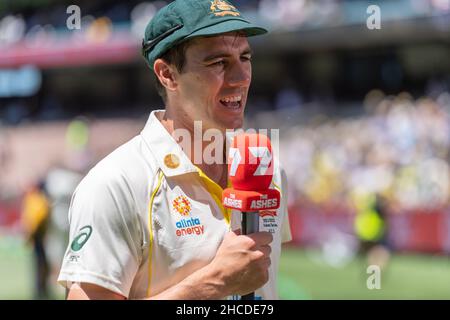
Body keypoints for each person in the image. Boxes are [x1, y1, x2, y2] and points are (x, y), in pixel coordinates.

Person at [58, 0, 291, 300]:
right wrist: (214, 282)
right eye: (219, 62)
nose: (241, 77)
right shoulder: (115, 184)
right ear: (167, 74)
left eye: (245, 57)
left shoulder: (265, 167)